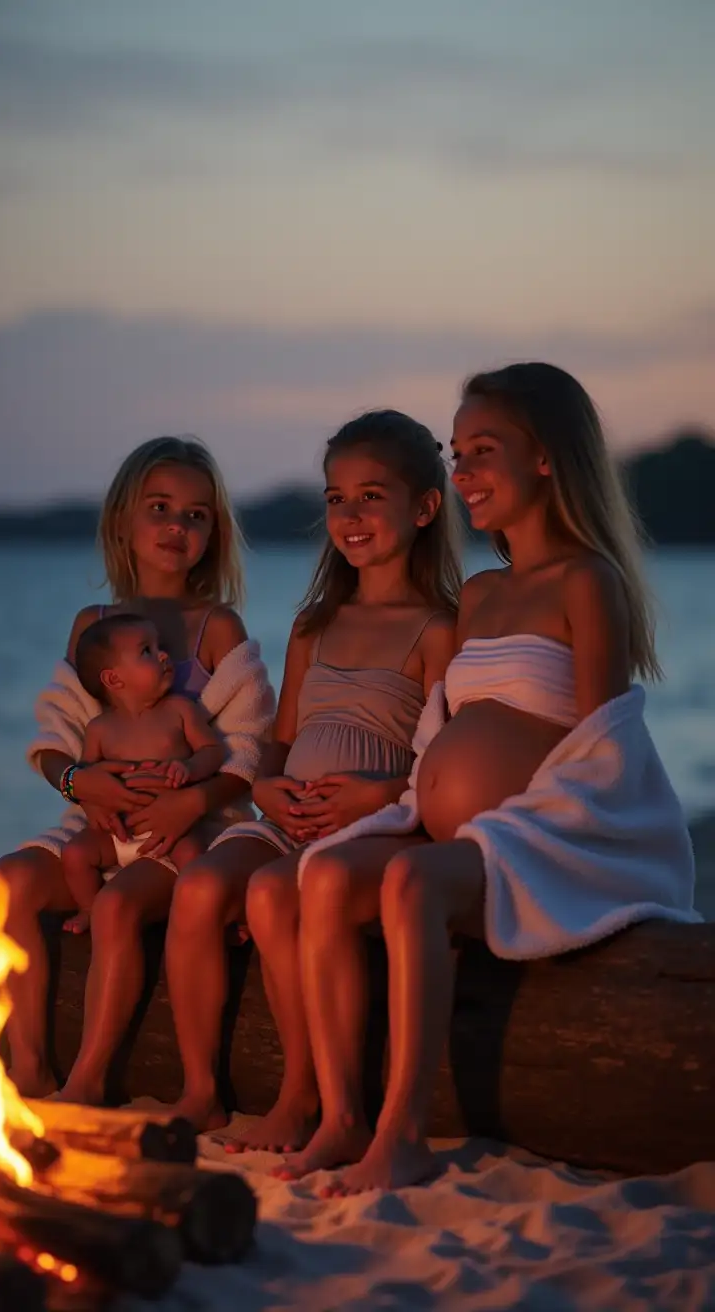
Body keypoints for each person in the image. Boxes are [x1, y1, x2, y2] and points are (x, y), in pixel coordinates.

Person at [288, 361, 698, 1191]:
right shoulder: (477, 595)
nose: (463, 471)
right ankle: (340, 1116)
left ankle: (403, 1134)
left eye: (482, 451)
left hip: (535, 840)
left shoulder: (588, 581)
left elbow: (602, 748)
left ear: (545, 457)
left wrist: (503, 824)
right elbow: (444, 726)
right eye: (455, 451)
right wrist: (407, 798)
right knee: (326, 875)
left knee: (409, 883)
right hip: (456, 838)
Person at [164, 409, 463, 1135]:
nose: (350, 514)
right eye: (335, 498)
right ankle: (212, 1087)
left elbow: (446, 761)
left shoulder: (441, 626)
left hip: (374, 824)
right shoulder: (314, 622)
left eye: (371, 495)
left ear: (425, 507)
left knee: (270, 895)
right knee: (203, 882)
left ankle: (309, 1094)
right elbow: (282, 738)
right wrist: (264, 784)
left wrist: (380, 795)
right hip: (285, 814)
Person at [0, 435, 274, 1101]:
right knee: (9, 882)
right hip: (102, 824)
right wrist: (77, 783)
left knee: (117, 904)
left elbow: (250, 754)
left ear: (215, 531)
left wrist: (190, 804)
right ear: (124, 518)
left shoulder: (219, 630)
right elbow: (58, 739)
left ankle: (89, 1079)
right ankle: (30, 1066)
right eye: (160, 508)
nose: (177, 526)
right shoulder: (94, 625)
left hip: (187, 831)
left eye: (197, 514)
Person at [61, 612, 228, 935]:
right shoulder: (99, 728)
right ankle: (88, 907)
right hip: (118, 832)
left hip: (169, 831)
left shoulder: (179, 710)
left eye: (159, 646)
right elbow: (86, 776)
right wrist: (93, 806)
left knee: (194, 855)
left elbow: (214, 751)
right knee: (74, 853)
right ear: (113, 679)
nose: (164, 655)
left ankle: (210, 917)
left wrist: (190, 768)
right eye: (146, 651)